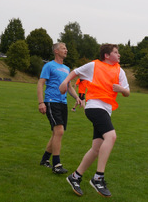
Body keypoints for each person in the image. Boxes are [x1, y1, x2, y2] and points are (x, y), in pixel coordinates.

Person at [59, 44, 130, 198]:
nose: (119, 55)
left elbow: (127, 92)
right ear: (106, 55)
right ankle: (98, 177)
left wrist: (122, 90)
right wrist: (65, 82)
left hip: (106, 110)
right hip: (94, 106)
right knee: (111, 136)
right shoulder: (94, 65)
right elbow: (75, 72)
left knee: (96, 148)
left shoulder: (120, 70)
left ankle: (75, 177)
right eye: (116, 52)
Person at [37, 42, 84, 174]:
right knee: (59, 131)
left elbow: (69, 87)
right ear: (56, 51)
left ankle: (45, 159)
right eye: (64, 48)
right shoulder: (49, 66)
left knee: (56, 133)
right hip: (51, 102)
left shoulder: (67, 69)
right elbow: (40, 84)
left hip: (63, 103)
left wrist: (77, 98)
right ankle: (56, 164)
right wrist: (41, 102)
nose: (66, 50)